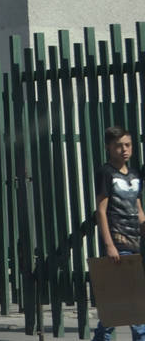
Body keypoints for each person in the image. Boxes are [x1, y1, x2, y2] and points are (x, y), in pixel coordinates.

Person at [93, 126, 145, 341]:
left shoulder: (134, 174)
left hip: (136, 243)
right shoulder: (106, 173)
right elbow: (101, 211)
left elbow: (138, 209)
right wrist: (109, 245)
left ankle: (101, 337)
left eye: (127, 145)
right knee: (133, 300)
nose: (124, 149)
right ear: (108, 147)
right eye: (118, 146)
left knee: (120, 301)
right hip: (118, 241)